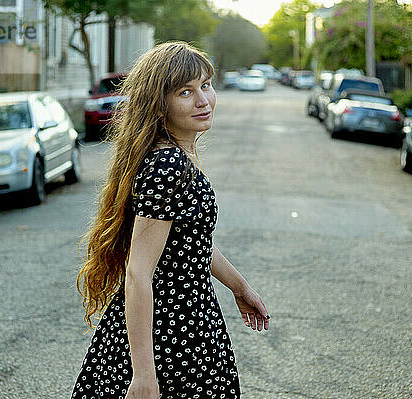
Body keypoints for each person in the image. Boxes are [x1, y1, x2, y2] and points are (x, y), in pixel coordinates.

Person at [71, 41, 270, 399]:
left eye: (205, 86)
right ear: (159, 103)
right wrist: (144, 375)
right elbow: (138, 272)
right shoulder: (168, 165)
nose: (203, 100)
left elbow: (192, 242)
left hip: (190, 325)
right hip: (169, 337)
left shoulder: (176, 154)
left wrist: (239, 287)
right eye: (185, 92)